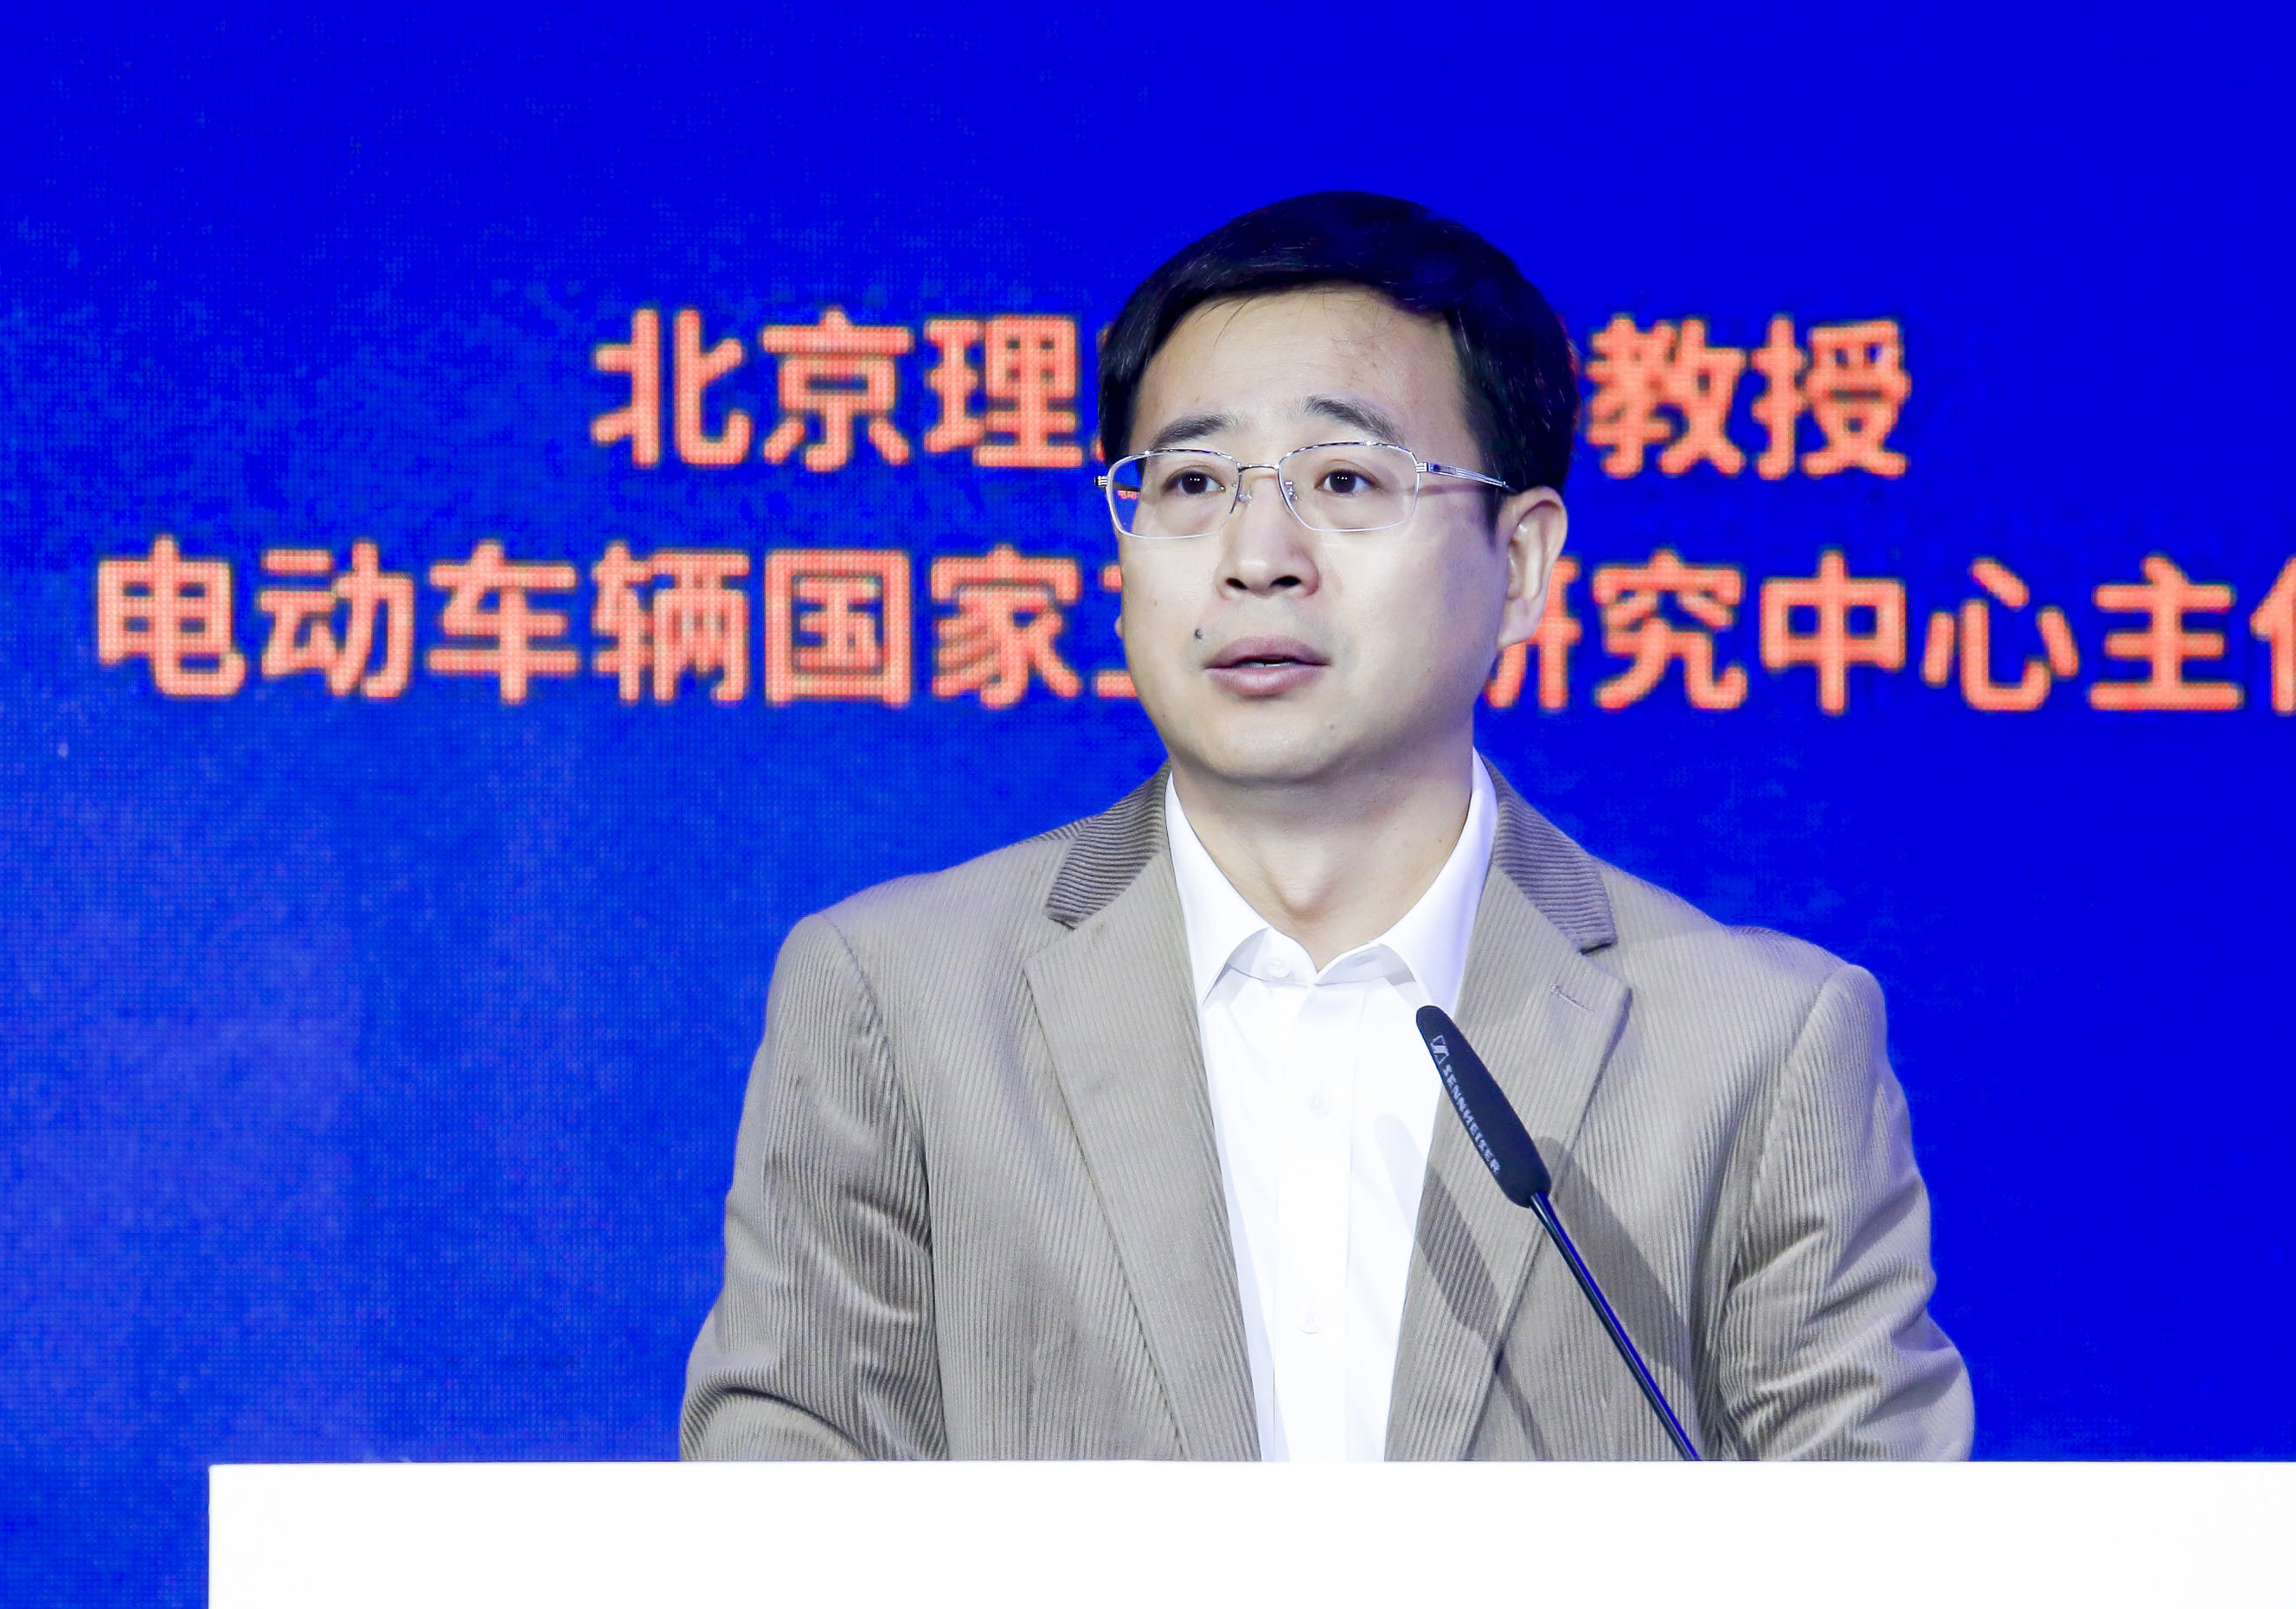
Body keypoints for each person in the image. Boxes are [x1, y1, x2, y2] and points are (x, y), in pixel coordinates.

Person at [683, 192, 1970, 1461]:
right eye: (1191, 482)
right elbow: (783, 1514)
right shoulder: (899, 1000)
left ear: (1521, 564)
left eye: (1345, 478)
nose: (1257, 556)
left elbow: (1878, 1550)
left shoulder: (1757, 1046)